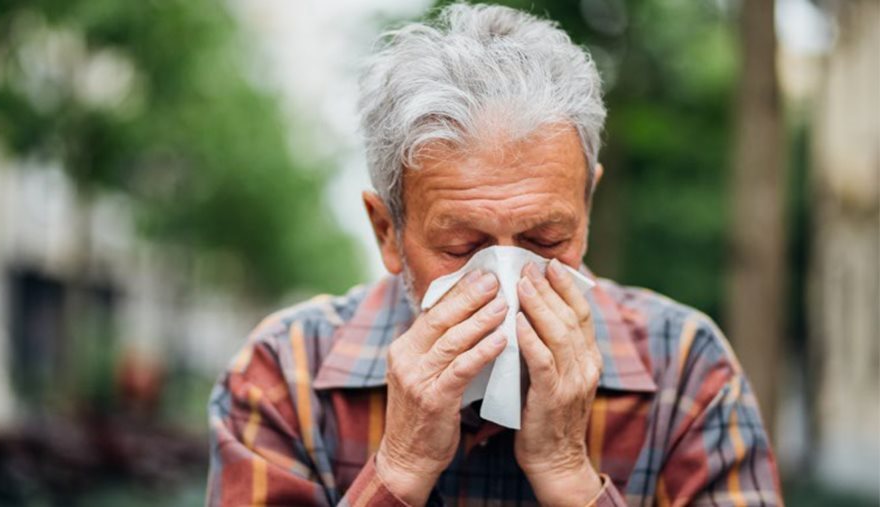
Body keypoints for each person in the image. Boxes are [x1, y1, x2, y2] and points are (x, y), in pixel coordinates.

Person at [205, 4, 782, 505]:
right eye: (462, 247)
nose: (507, 277)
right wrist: (399, 470)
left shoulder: (685, 369)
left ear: (588, 209)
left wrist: (570, 476)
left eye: (546, 241)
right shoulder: (283, 375)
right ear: (387, 232)